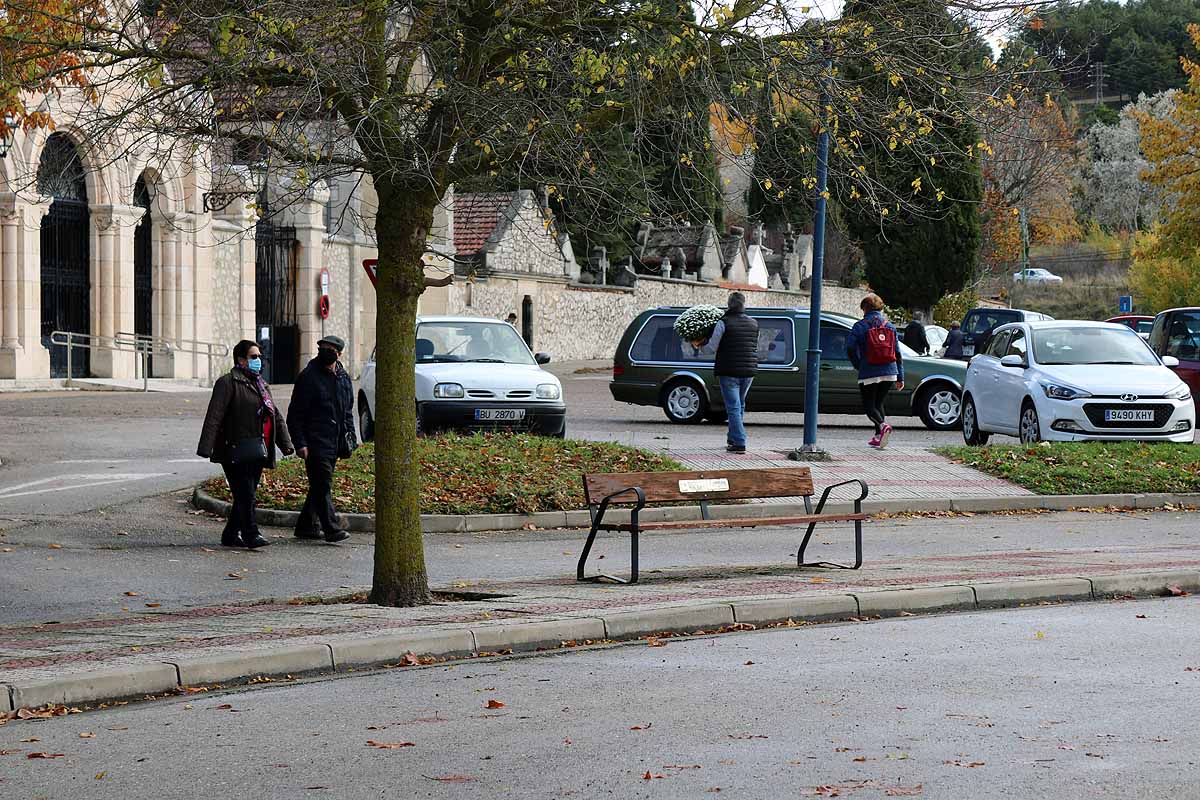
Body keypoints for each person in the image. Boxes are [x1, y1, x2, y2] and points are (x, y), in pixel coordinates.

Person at [197, 340, 293, 549]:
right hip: (234, 449)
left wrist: (285, 444)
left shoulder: (261, 385)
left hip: (258, 449)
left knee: (244, 494)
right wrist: (206, 447)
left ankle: (231, 533)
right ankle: (251, 533)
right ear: (241, 359)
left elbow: (275, 416)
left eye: (259, 356)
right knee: (246, 493)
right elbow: (214, 415)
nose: (258, 360)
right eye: (253, 356)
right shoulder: (228, 382)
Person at [287, 335, 356, 544]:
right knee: (323, 483)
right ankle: (331, 528)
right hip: (315, 442)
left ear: (339, 353)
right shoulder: (308, 376)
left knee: (318, 484)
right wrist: (300, 443)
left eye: (330, 349)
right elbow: (295, 414)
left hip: (335, 441)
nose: (325, 352)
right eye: (322, 348)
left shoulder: (343, 377)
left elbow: (347, 411)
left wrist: (350, 436)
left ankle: (306, 525)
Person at [703, 292, 759, 453]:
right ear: (744, 305)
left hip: (728, 371)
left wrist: (698, 346)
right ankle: (733, 438)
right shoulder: (754, 323)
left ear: (729, 305)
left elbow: (712, 347)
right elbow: (754, 346)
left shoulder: (723, 323)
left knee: (733, 407)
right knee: (739, 405)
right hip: (749, 371)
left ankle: (740, 442)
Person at [847, 293, 904, 449]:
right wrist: (900, 377)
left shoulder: (860, 326)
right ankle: (879, 436)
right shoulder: (890, 326)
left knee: (868, 405)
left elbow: (850, 347)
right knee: (878, 403)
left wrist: (858, 364)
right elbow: (897, 353)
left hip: (870, 371)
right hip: (890, 371)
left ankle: (882, 425)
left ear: (865, 308)